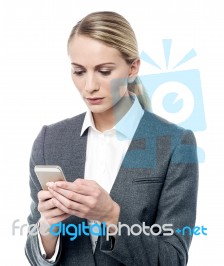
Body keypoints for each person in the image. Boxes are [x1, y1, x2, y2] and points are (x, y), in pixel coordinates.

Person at [24, 11, 198, 266]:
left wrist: (112, 216)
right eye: (79, 71)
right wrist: (47, 228)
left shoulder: (173, 144)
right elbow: (33, 252)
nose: (89, 86)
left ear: (133, 68)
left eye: (104, 71)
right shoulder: (49, 140)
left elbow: (173, 258)